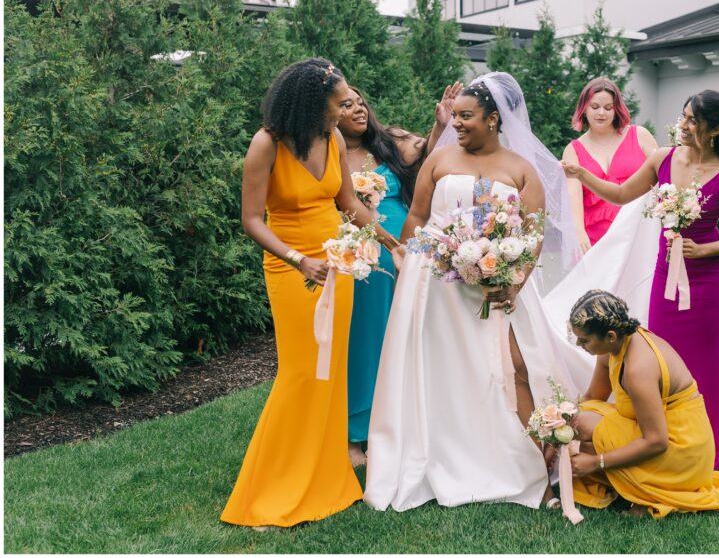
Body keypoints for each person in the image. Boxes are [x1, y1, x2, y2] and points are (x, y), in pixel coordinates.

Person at [364, 72, 594, 513]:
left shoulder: (521, 169)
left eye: (467, 116)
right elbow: (416, 217)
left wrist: (513, 280)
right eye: (456, 116)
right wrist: (407, 261)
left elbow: (532, 235)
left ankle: (526, 462)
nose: (458, 123)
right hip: (435, 285)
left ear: (493, 119)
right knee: (442, 369)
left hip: (498, 287)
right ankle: (446, 451)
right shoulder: (439, 158)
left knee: (513, 367)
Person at [221, 58, 404, 528]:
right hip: (292, 268)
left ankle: (325, 480)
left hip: (338, 264)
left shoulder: (334, 138)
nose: (348, 110)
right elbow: (251, 220)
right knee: (300, 373)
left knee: (330, 373)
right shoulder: (267, 144)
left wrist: (391, 244)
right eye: (340, 103)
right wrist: (297, 259)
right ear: (311, 102)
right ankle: (267, 492)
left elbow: (347, 202)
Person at [561, 90, 719, 470]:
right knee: (661, 358)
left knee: (706, 361)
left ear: (716, 129)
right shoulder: (662, 158)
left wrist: (704, 251)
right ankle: (661, 443)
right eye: (682, 117)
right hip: (667, 274)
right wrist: (582, 175)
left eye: (692, 122)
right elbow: (620, 195)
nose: (682, 126)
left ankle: (710, 451)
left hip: (708, 281)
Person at [566, 290, 719, 518]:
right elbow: (591, 399)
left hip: (682, 450)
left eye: (584, 340)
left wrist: (596, 462)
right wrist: (558, 423)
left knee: (586, 434)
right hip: (661, 435)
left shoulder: (638, 369)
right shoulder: (614, 347)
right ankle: (628, 482)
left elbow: (657, 442)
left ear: (609, 335)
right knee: (580, 421)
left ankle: (655, 491)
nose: (579, 344)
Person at [339, 82, 462, 467]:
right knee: (366, 339)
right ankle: (355, 433)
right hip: (363, 256)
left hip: (405, 251)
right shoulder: (329, 151)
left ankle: (401, 423)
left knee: (408, 335)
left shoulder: (387, 142)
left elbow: (426, 157)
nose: (359, 109)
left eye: (361, 102)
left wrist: (440, 125)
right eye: (347, 105)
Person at [562, 77, 657, 253]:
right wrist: (579, 233)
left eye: (608, 108)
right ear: (584, 108)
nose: (601, 113)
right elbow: (573, 196)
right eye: (595, 107)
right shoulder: (573, 150)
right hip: (595, 239)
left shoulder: (640, 135)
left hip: (641, 232)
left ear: (616, 110)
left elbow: (663, 180)